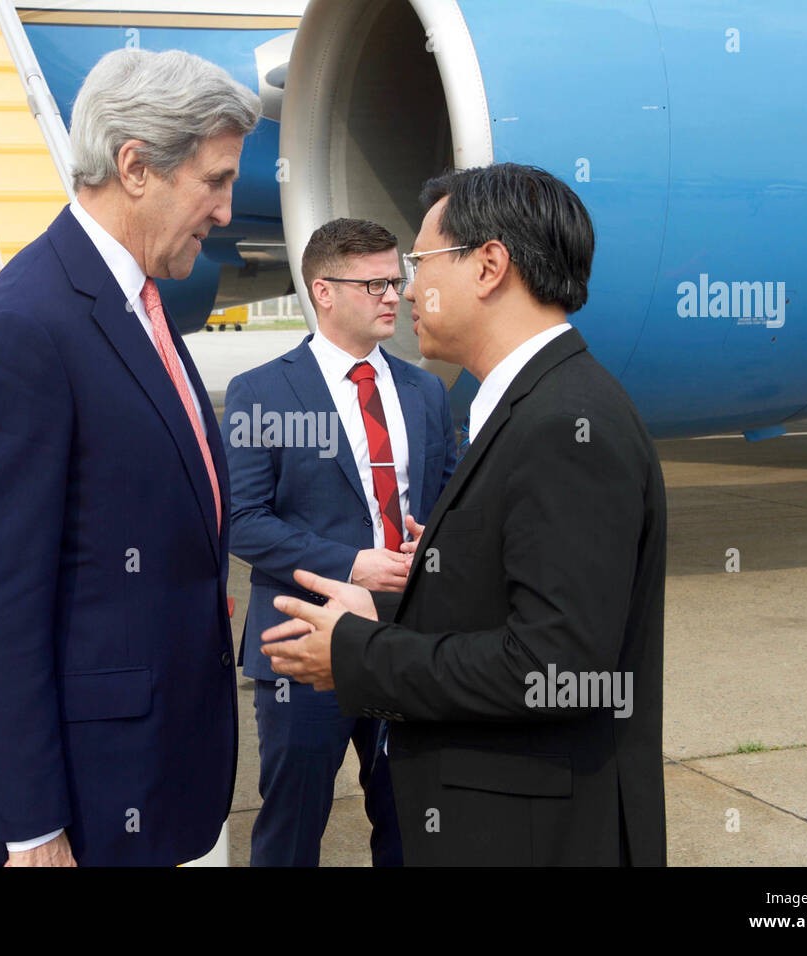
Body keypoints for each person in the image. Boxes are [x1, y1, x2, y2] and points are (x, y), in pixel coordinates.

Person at [260, 163, 668, 866]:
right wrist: (392, 607)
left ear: (489, 266)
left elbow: (553, 664)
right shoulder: (532, 407)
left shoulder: (565, 424)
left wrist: (358, 651)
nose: (408, 288)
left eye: (420, 263)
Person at [0, 49, 260, 866]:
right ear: (136, 166)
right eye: (215, 181)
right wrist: (33, 825)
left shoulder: (137, 304)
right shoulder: (27, 326)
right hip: (81, 810)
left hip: (149, 785)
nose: (225, 211)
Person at [221, 218, 457, 866]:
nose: (393, 295)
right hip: (303, 639)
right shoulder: (262, 392)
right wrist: (353, 563)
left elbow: (453, 504)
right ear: (323, 291)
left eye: (396, 279)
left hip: (407, 639)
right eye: (374, 282)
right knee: (292, 828)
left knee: (411, 821)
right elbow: (243, 519)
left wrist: (430, 542)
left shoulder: (425, 390)